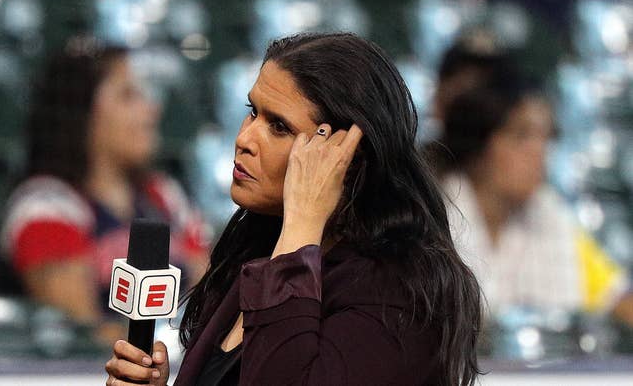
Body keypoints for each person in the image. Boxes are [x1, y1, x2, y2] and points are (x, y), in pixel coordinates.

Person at [105, 32, 482, 386]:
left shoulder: (399, 292)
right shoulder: (259, 249)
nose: (244, 139)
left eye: (279, 127)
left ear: (345, 157)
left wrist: (304, 223)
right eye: (253, 111)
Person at [0, 36, 211, 341]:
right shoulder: (44, 206)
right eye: (128, 96)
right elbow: (84, 332)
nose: (151, 111)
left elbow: (210, 295)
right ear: (82, 112)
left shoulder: (164, 196)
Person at [432, 77, 633, 321]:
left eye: (545, 137)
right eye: (522, 135)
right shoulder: (430, 217)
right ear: (480, 144)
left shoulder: (551, 216)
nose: (539, 151)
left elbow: (618, 299)